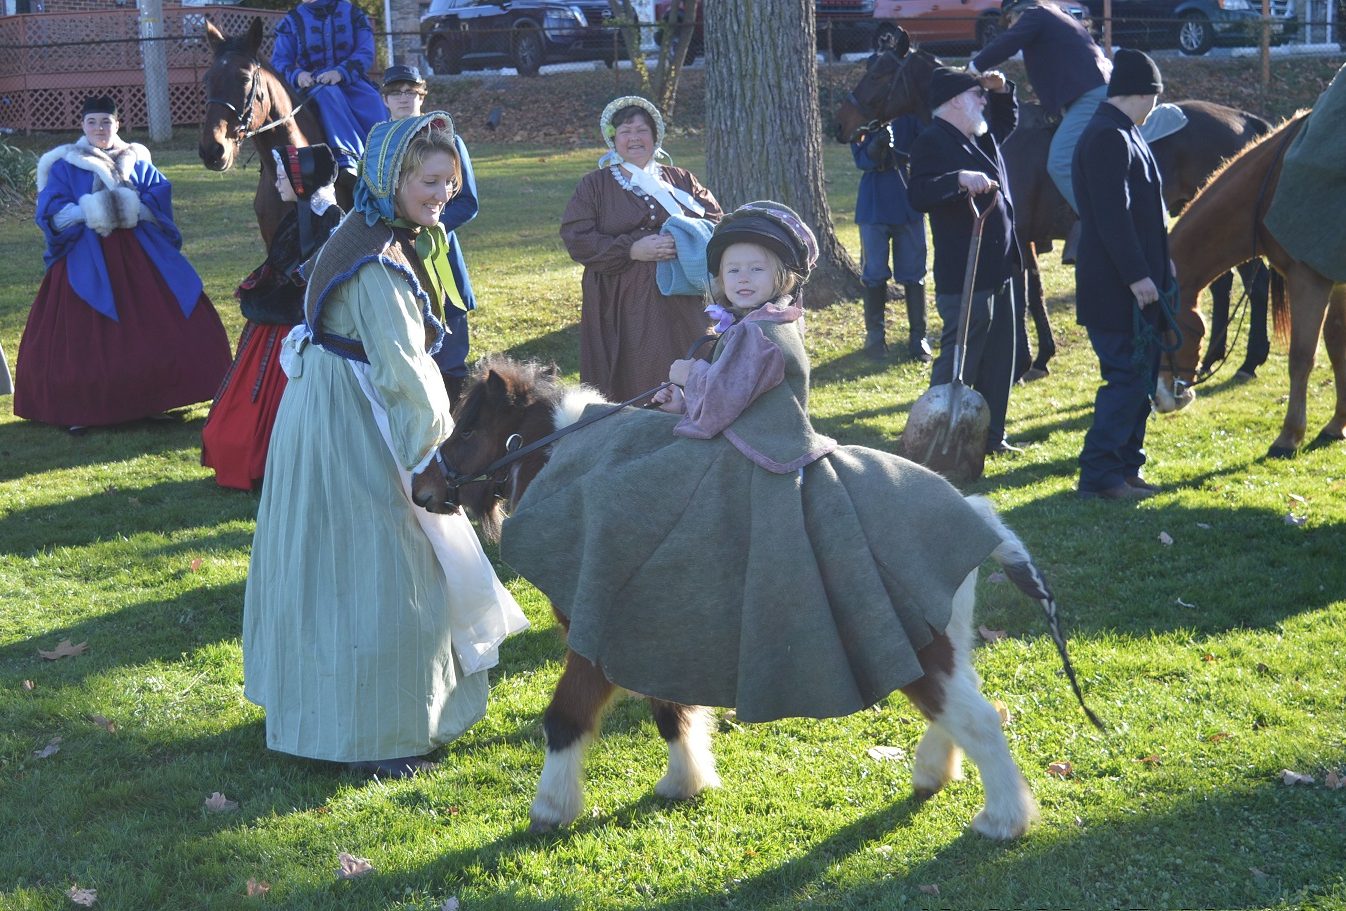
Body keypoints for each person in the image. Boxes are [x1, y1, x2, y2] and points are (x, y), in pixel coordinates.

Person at [499, 201, 1004, 724]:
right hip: (737, 442)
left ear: (782, 277)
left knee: (627, 488)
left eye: (756, 268)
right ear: (717, 278)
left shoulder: (764, 334)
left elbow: (721, 404)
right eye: (732, 269)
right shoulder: (750, 325)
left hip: (762, 458)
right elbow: (722, 400)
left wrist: (687, 377)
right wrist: (684, 396)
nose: (742, 278)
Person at [242, 113, 528, 778]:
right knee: (385, 565)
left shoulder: (365, 232)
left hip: (323, 413)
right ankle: (375, 732)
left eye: (451, 184)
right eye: (430, 181)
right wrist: (437, 460)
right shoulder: (377, 262)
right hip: (357, 426)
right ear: (391, 178)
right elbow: (402, 373)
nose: (442, 196)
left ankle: (319, 705)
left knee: (326, 563)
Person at [14, 95, 231, 433]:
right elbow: (52, 212)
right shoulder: (65, 164)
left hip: (139, 254)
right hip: (87, 257)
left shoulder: (137, 159)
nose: (100, 128)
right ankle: (82, 407)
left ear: (117, 124)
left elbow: (158, 198)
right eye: (92, 122)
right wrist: (91, 210)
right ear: (83, 126)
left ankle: (153, 398)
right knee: (84, 331)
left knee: (161, 317)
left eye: (106, 122)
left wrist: (131, 208)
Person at [560, 96, 722, 403]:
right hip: (622, 298)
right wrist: (631, 249)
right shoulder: (595, 186)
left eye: (642, 130)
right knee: (636, 364)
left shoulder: (680, 180)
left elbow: (714, 221)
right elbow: (577, 236)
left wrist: (683, 240)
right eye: (625, 131)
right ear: (613, 139)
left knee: (691, 353)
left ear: (655, 136)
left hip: (683, 298)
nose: (634, 138)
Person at [201, 144, 343, 490]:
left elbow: (305, 274)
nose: (277, 183)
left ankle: (270, 461)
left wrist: (263, 297)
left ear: (302, 181)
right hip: (277, 320)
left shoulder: (324, 218)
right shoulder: (300, 214)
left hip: (294, 327)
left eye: (282, 176)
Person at [1072, 49, 1174, 501]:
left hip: (1141, 288)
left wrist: (1161, 269)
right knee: (1126, 379)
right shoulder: (1106, 137)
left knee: (1140, 378)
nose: (1155, 106)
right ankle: (1099, 476)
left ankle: (1126, 467)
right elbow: (1114, 217)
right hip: (1117, 290)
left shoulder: (1123, 132)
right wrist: (1138, 276)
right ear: (1141, 93)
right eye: (1155, 97)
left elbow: (1147, 215)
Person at [909, 67, 1024, 456]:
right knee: (961, 354)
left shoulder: (980, 138)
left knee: (1000, 357)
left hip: (1000, 267)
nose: (983, 101)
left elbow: (1007, 119)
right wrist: (958, 179)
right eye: (977, 94)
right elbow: (919, 194)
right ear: (955, 100)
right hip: (966, 271)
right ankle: (933, 436)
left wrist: (1003, 88)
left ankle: (992, 437)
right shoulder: (932, 141)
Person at [381, 63, 478, 408]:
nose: (404, 98)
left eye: (411, 92)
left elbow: (467, 202)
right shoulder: (379, 144)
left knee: (450, 360)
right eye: (396, 92)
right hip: (392, 256)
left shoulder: (450, 142)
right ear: (386, 99)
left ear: (422, 96)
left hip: (440, 260)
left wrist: (429, 225)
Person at [968, 0, 1111, 216]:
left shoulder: (1035, 15)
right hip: (1092, 93)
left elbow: (1008, 42)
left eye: (1009, 21)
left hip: (1089, 97)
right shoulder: (1056, 15)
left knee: (1060, 162)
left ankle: (1098, 220)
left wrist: (972, 68)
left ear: (1017, 12)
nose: (1009, 26)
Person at [271, 0, 386, 175]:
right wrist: (298, 75)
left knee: (375, 103)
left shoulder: (353, 14)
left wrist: (340, 72)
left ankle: (388, 164)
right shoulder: (292, 20)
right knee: (327, 93)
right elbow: (279, 60)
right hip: (313, 85)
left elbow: (366, 50)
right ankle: (347, 159)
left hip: (352, 82)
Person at [852, 113, 931, 362]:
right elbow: (861, 159)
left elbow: (926, 147)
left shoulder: (910, 114)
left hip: (905, 195)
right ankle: (875, 336)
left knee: (913, 271)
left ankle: (918, 337)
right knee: (873, 271)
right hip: (873, 201)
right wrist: (875, 146)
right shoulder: (863, 115)